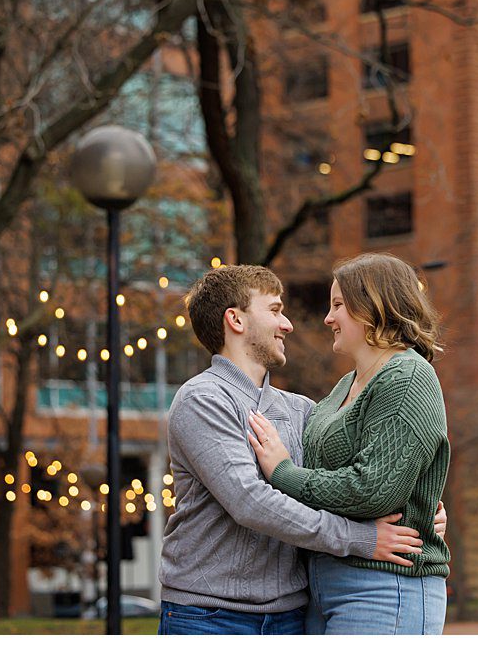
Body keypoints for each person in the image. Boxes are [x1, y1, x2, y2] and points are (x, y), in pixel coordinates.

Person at [158, 264, 441, 635]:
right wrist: (359, 539)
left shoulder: (303, 410)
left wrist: (419, 511)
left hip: (292, 615)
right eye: (275, 310)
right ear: (236, 320)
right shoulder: (203, 399)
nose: (288, 324)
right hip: (209, 615)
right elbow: (250, 501)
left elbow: (339, 480)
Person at [247, 254, 452, 636]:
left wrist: (283, 473)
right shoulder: (346, 385)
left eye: (338, 305)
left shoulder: (407, 376)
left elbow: (373, 490)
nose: (328, 318)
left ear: (374, 306)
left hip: (385, 585)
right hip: (325, 581)